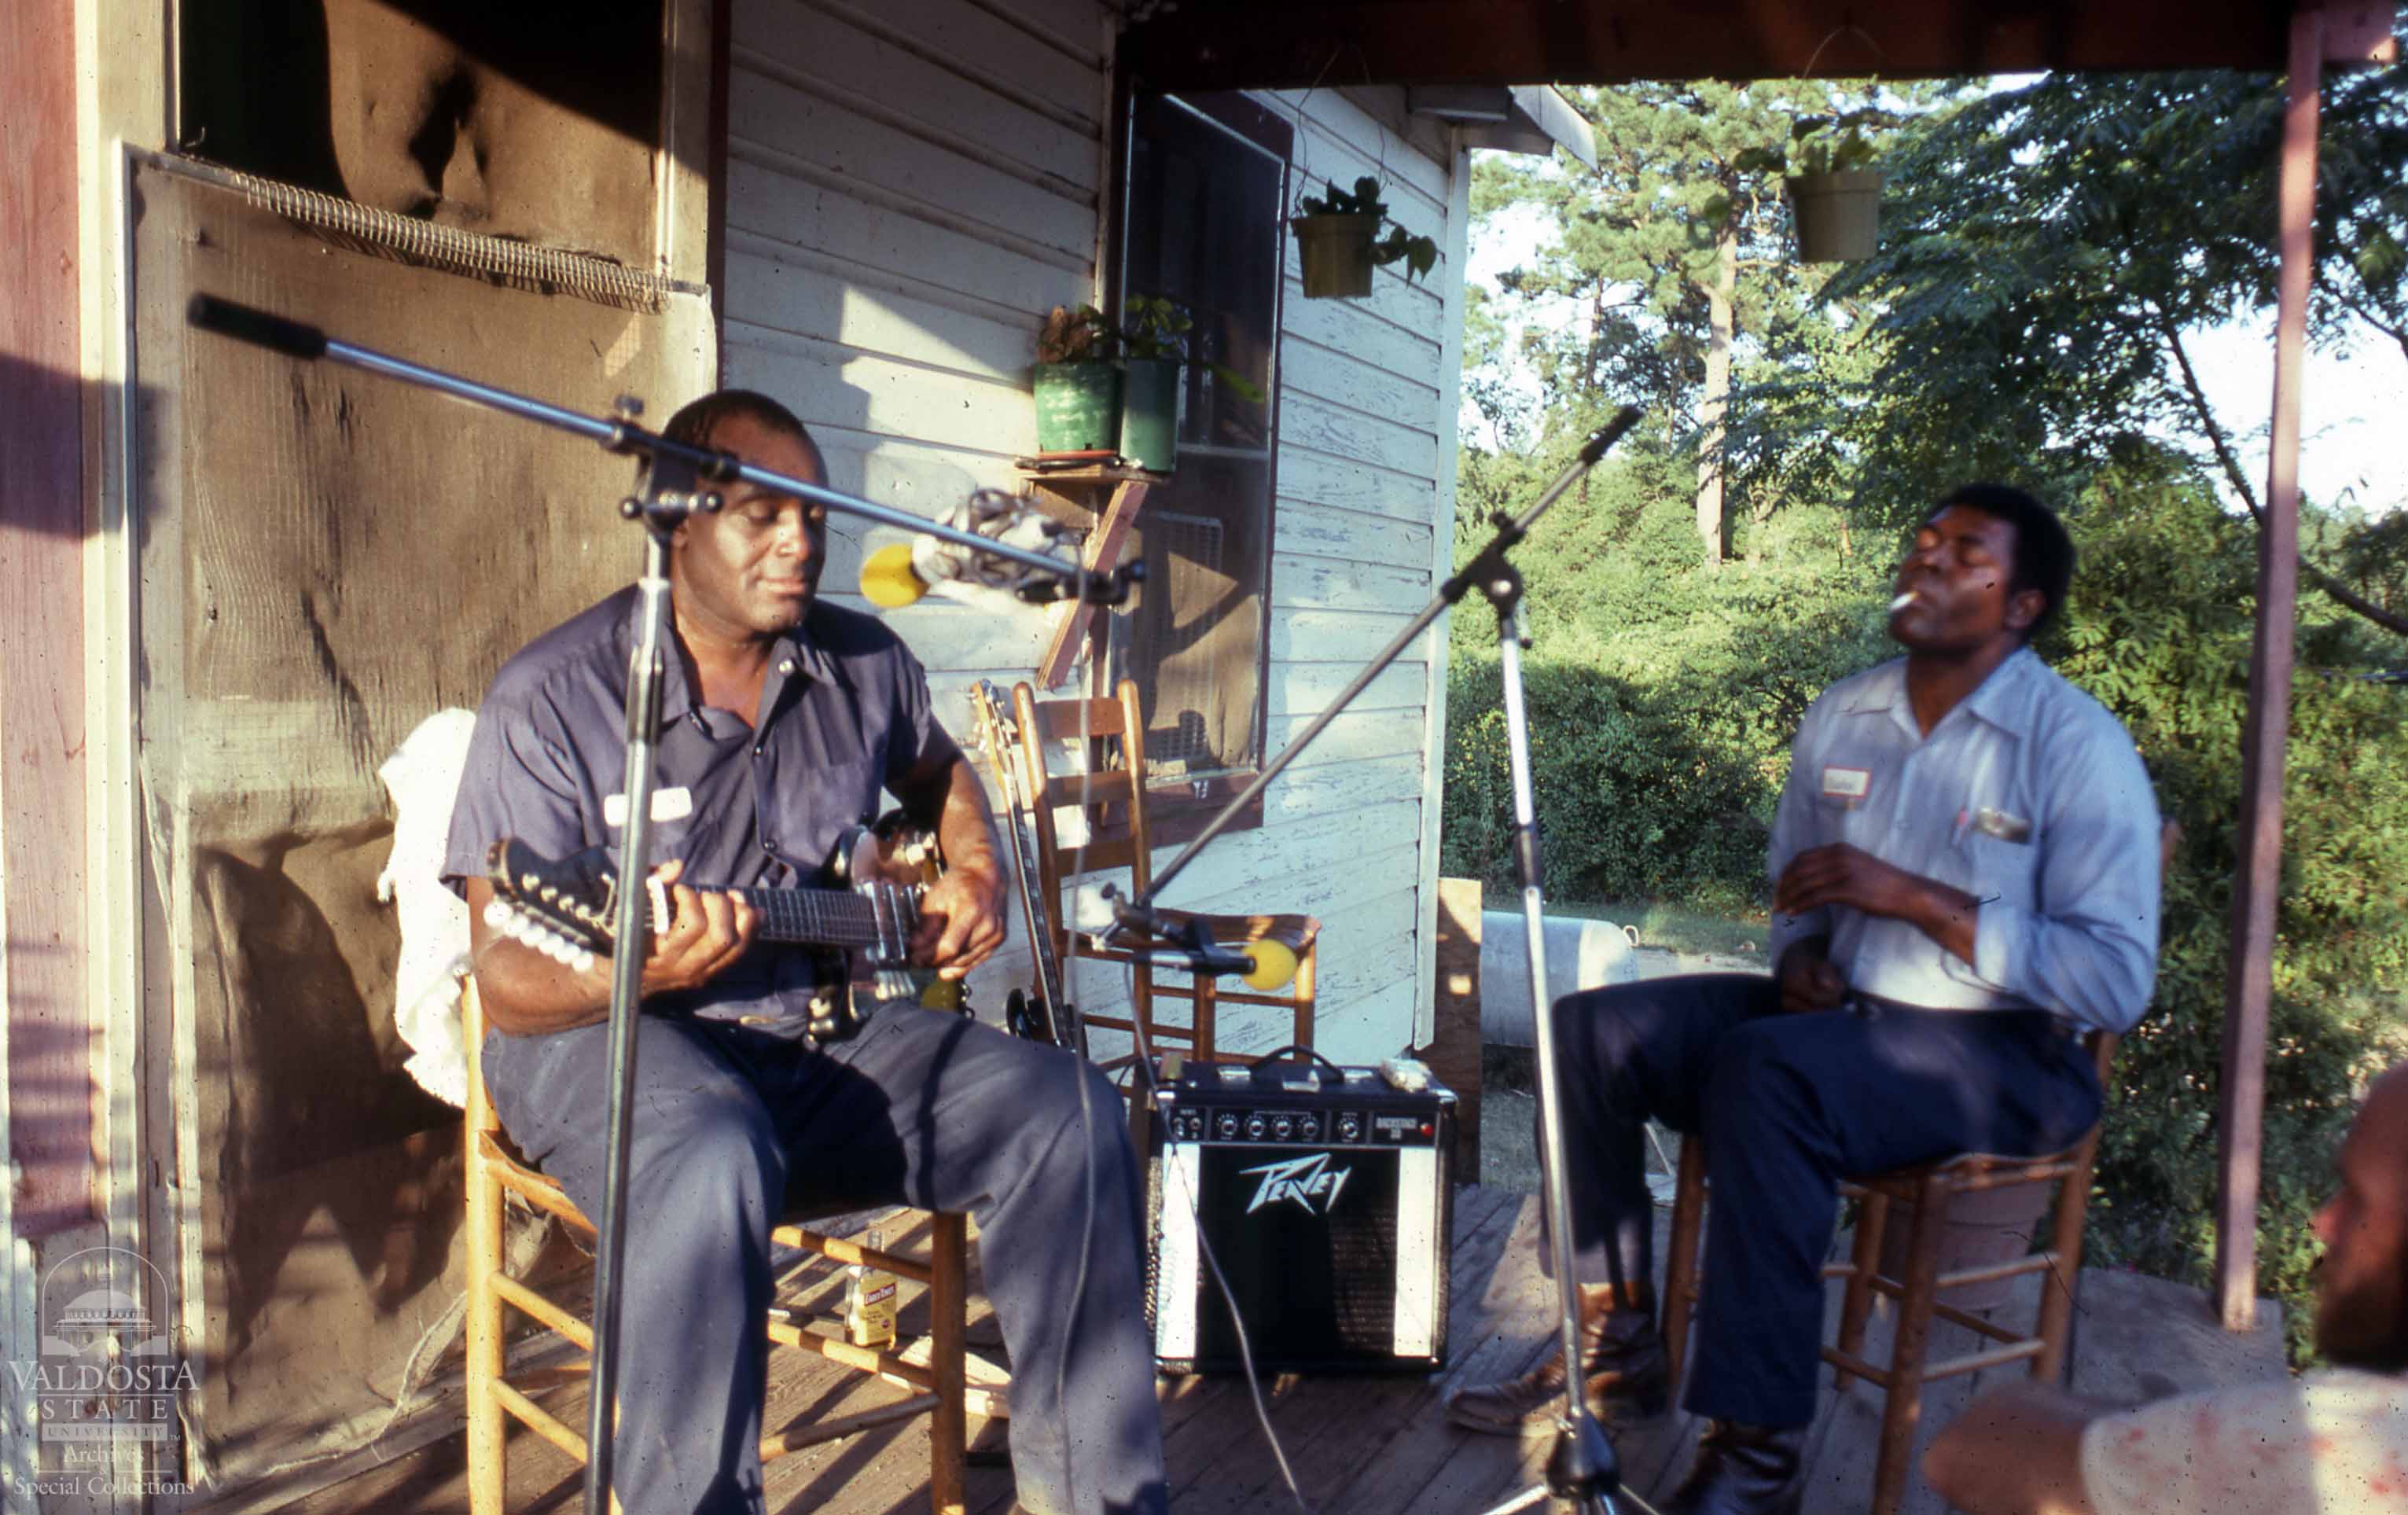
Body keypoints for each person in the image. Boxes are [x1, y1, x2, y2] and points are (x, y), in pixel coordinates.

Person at [442, 390, 1167, 1515]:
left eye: (816, 518)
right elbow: (506, 980)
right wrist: (635, 968)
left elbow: (937, 773)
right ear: (677, 520)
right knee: (710, 1149)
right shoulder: (554, 697)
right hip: (610, 1036)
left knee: (1068, 1110)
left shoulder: (860, 659)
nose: (799, 543)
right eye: (762, 516)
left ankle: (1094, 1497)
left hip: (821, 1031)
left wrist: (971, 869)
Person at [1444, 484, 2163, 1515]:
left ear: (2020, 604)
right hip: (1841, 1023)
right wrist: (1797, 961)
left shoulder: (2072, 747)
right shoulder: (1844, 716)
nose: (1925, 561)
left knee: (1766, 1072)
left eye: (1964, 553)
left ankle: (1755, 1453)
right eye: (1920, 541)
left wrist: (1914, 897)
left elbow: (2112, 980)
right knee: (1585, 1031)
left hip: (2002, 1049)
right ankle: (1615, 1342)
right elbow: (1798, 899)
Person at [1923, 1062, 2408, 1515]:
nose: (2323, 1222)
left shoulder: (2356, 1437)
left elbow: (1963, 1451)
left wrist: (2195, 1429)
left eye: (2359, 1198)